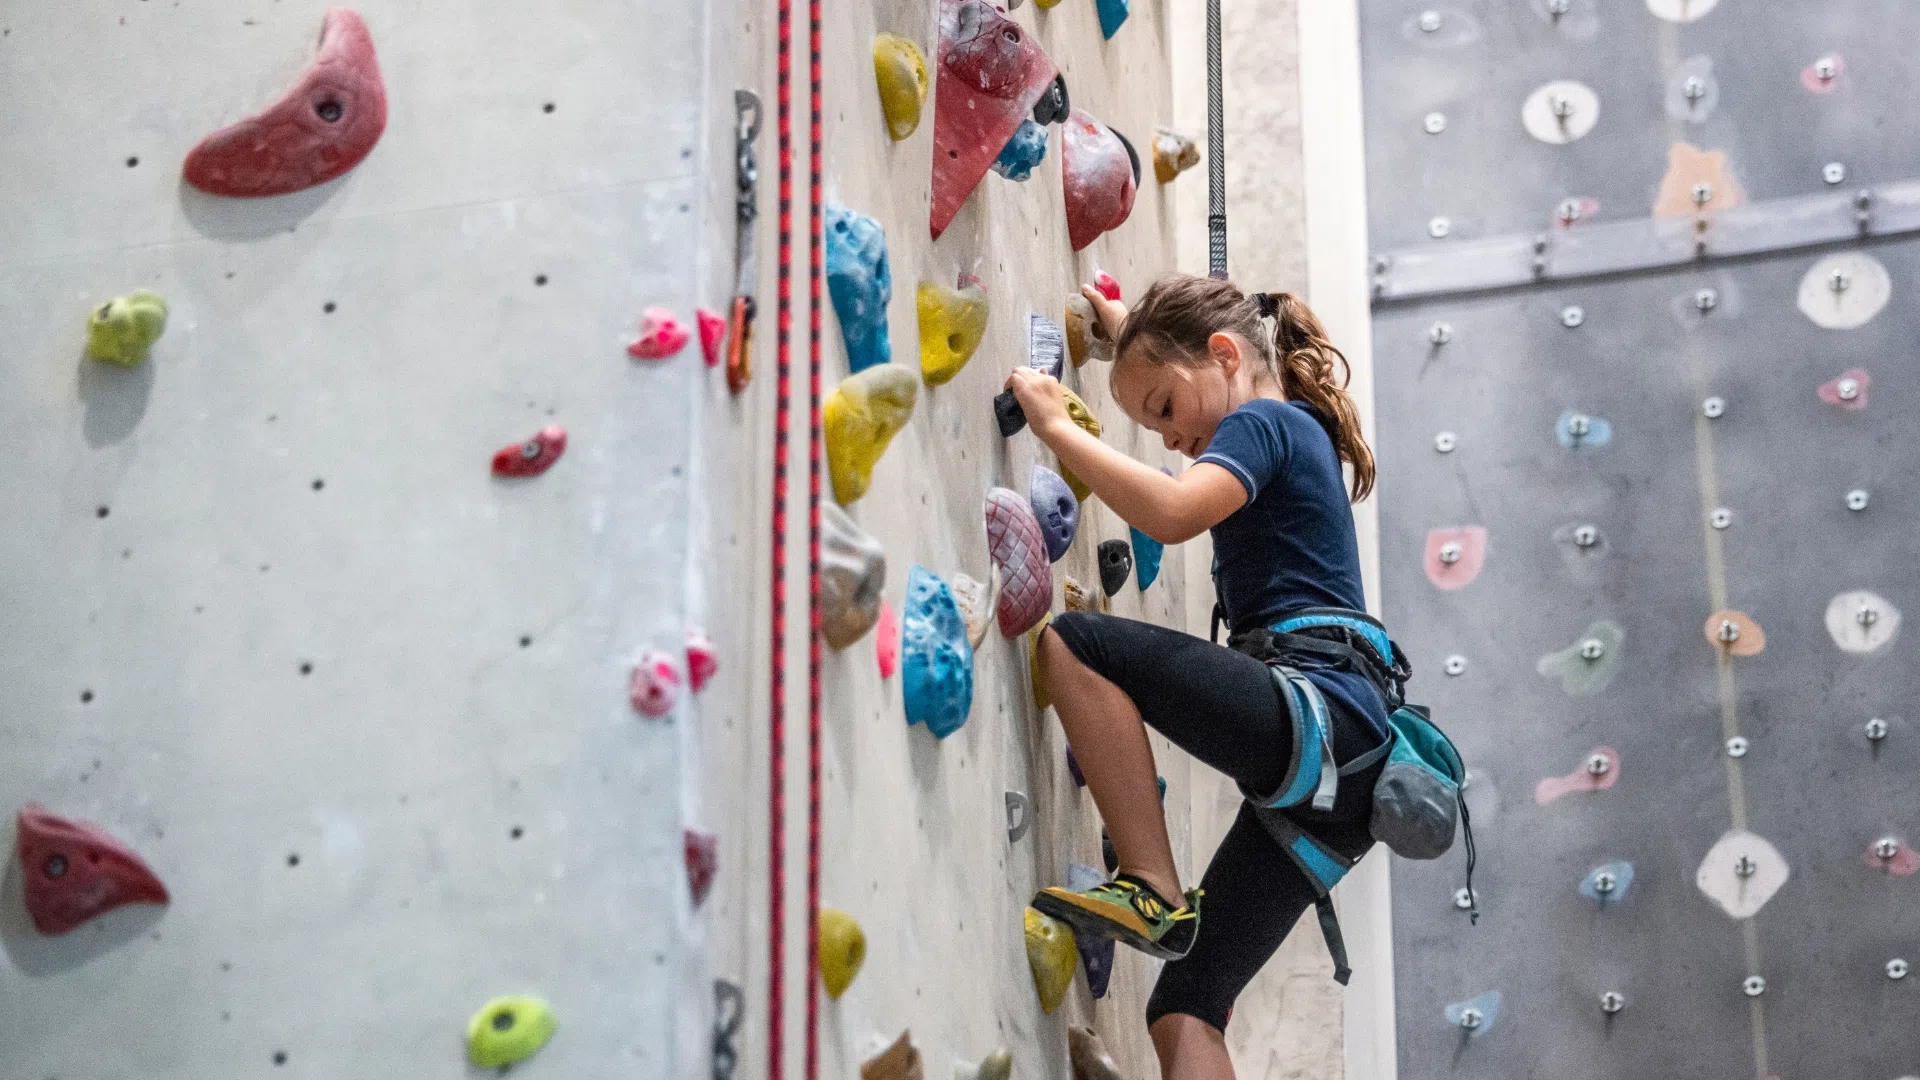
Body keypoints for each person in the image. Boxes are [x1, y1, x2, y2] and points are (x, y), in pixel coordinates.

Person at [1005, 274, 1394, 1080]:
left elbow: (1176, 515)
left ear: (1224, 356)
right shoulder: (1288, 423)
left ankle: (1151, 881)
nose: (1171, 438)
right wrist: (1134, 338)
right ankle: (1159, 902)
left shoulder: (1263, 419)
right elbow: (1194, 379)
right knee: (1187, 1004)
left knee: (1075, 644)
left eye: (1166, 411)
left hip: (1320, 715)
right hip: (1345, 778)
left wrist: (1055, 428)